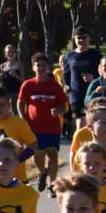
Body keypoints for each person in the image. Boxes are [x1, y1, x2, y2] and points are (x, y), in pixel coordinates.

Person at [18, 53, 69, 193]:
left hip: (52, 128)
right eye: (38, 65)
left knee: (53, 155)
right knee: (37, 155)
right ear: (33, 67)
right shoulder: (28, 84)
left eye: (43, 65)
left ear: (48, 68)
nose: (41, 68)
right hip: (34, 127)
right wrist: (23, 119)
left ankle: (52, 185)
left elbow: (63, 105)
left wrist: (58, 111)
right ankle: (42, 172)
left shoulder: (54, 86)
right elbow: (20, 102)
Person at [62, 27, 104, 129]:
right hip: (76, 94)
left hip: (93, 93)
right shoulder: (69, 55)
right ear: (74, 39)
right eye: (79, 38)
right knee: (80, 122)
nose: (81, 40)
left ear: (89, 38)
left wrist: (93, 77)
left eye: (84, 37)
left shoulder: (96, 55)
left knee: (92, 123)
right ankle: (78, 145)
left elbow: (104, 74)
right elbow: (66, 74)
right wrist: (66, 85)